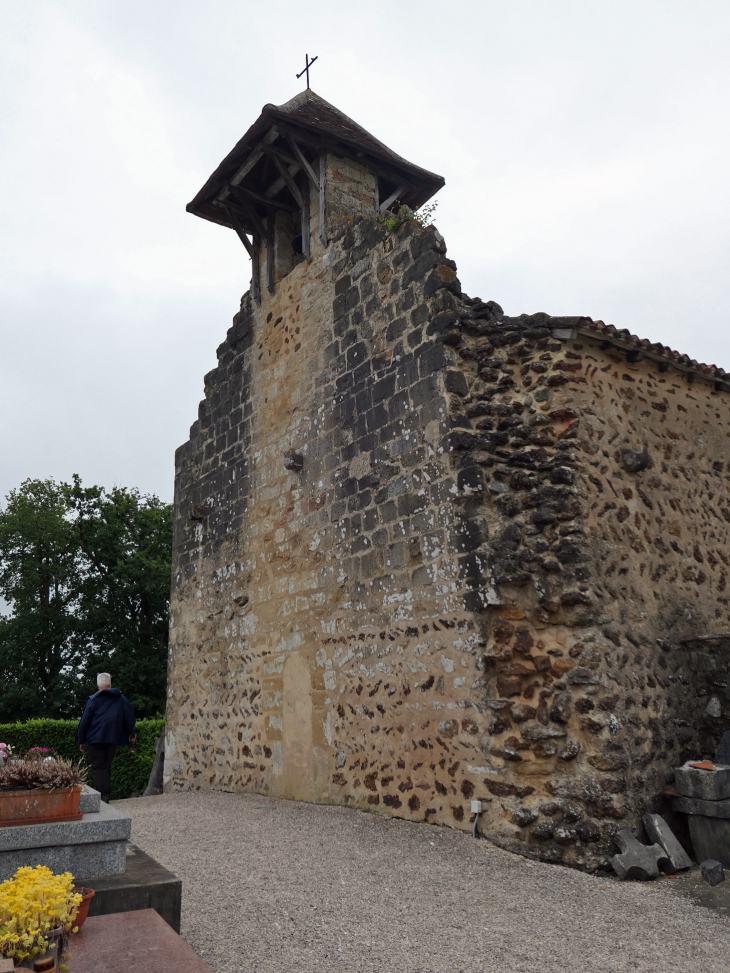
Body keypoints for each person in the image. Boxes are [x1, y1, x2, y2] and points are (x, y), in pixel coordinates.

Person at [76, 673, 136, 803]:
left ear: (98, 685)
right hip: (112, 737)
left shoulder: (93, 700)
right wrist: (132, 733)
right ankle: (101, 794)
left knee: (98, 766)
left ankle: (104, 794)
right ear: (110, 684)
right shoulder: (121, 698)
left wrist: (81, 740)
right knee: (106, 765)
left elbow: (84, 721)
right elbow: (129, 717)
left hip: (95, 738)